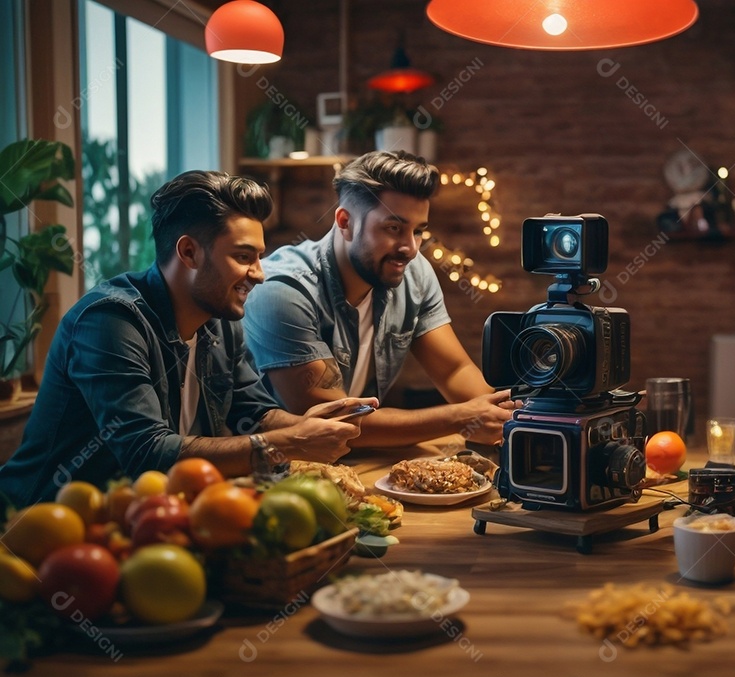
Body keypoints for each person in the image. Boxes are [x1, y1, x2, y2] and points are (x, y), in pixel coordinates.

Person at [0, 171, 374, 507]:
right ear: (189, 252)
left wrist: (307, 424)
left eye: (259, 257)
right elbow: (146, 452)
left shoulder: (221, 320)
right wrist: (292, 442)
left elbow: (252, 412)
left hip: (146, 523)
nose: (259, 274)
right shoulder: (109, 321)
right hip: (39, 529)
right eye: (243, 256)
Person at [242, 150, 514, 447]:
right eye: (394, 228)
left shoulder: (413, 274)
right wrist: (461, 419)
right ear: (345, 222)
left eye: (419, 230)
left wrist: (510, 420)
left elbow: (453, 371)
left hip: (359, 461)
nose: (410, 248)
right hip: (276, 473)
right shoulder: (282, 291)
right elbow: (333, 423)